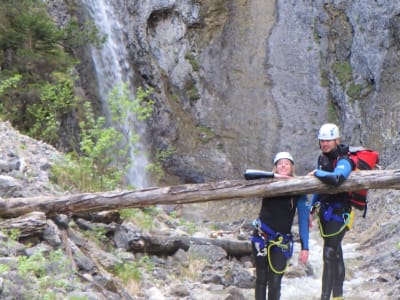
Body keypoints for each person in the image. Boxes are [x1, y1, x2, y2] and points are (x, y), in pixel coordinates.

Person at [245, 152, 310, 300]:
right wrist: (275, 177)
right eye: (280, 163)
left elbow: (303, 219)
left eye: (286, 163)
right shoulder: (267, 181)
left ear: (292, 166)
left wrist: (305, 246)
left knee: (275, 280)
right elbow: (248, 174)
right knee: (261, 278)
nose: (283, 166)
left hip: (282, 241)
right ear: (275, 167)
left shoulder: (299, 188)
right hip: (261, 236)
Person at [309, 123, 353, 300]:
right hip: (326, 212)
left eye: (328, 140)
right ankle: (338, 296)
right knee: (335, 251)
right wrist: (312, 208)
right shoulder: (322, 159)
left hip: (340, 212)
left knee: (329, 252)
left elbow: (337, 179)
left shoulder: (344, 160)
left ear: (337, 140)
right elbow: (320, 189)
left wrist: (317, 173)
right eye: (322, 141)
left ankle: (325, 297)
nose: (325, 144)